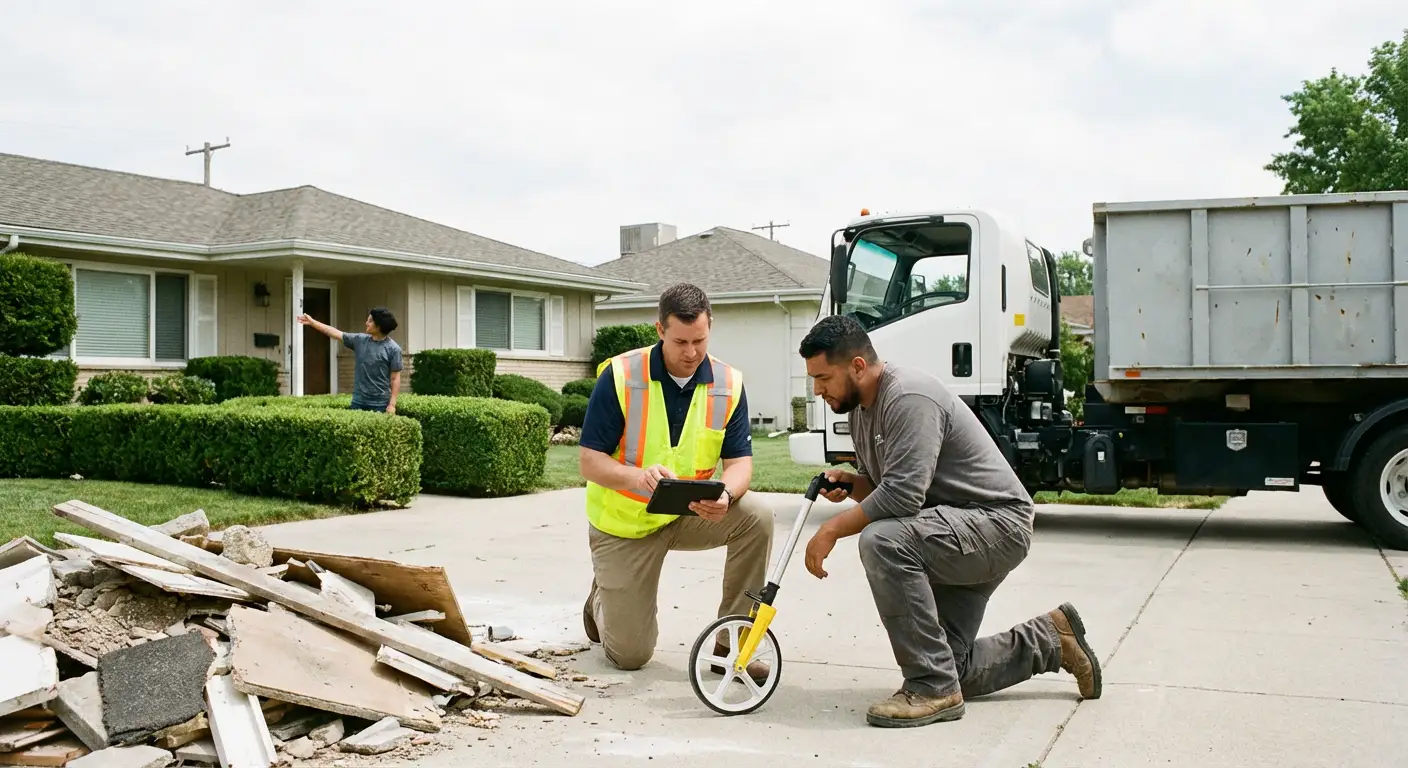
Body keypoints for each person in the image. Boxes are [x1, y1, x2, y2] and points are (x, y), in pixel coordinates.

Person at [796, 313, 1100, 728]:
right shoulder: (860, 412)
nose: (818, 390)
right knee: (949, 664)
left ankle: (931, 690)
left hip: (996, 525)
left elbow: (903, 497)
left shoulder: (907, 397)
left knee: (882, 541)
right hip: (953, 529)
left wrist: (831, 529)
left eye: (823, 377)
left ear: (858, 366)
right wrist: (854, 484)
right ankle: (1051, 640)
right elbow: (895, 487)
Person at [577, 282, 774, 683]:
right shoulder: (620, 376)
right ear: (659, 330)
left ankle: (731, 642)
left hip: (687, 514)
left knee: (758, 515)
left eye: (699, 340)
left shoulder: (728, 383)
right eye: (680, 341)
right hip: (625, 525)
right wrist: (638, 476)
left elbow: (740, 465)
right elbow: (589, 463)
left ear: (710, 328)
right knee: (630, 656)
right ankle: (601, 600)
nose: (691, 352)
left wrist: (727, 493)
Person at [297, 306, 403, 414]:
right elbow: (335, 333)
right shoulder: (360, 340)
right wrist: (312, 322)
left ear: (379, 326)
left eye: (370, 321)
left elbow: (395, 379)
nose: (366, 323)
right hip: (358, 402)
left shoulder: (393, 349)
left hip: (380, 405)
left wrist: (392, 405)